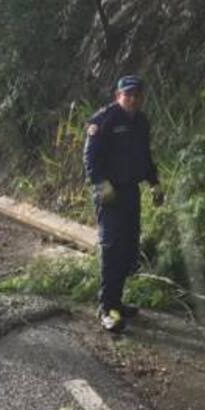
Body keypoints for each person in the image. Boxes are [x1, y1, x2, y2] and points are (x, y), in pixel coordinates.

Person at [83, 75, 164, 332]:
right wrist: (100, 184)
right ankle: (107, 309)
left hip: (130, 191)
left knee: (129, 246)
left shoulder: (141, 122)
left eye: (137, 95)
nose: (133, 99)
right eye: (127, 94)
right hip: (109, 194)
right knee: (112, 248)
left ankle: (117, 301)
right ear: (118, 96)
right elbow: (90, 156)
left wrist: (154, 182)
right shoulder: (104, 119)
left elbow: (145, 154)